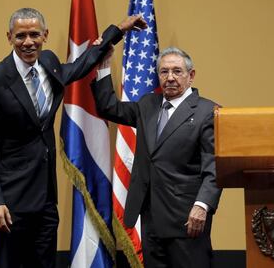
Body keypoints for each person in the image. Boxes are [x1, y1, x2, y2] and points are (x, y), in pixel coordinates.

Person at [0, 7, 146, 268]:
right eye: (20, 36)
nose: (28, 42)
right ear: (9, 37)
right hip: (9, 204)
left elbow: (78, 66)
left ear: (45, 35)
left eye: (34, 35)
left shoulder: (49, 63)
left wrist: (117, 30)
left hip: (45, 201)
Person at [91, 46, 222, 267]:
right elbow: (108, 108)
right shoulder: (148, 105)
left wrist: (203, 205)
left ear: (191, 76)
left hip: (187, 218)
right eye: (164, 72)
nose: (170, 77)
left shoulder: (207, 112)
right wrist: (103, 67)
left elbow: (215, 165)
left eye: (177, 71)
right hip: (151, 218)